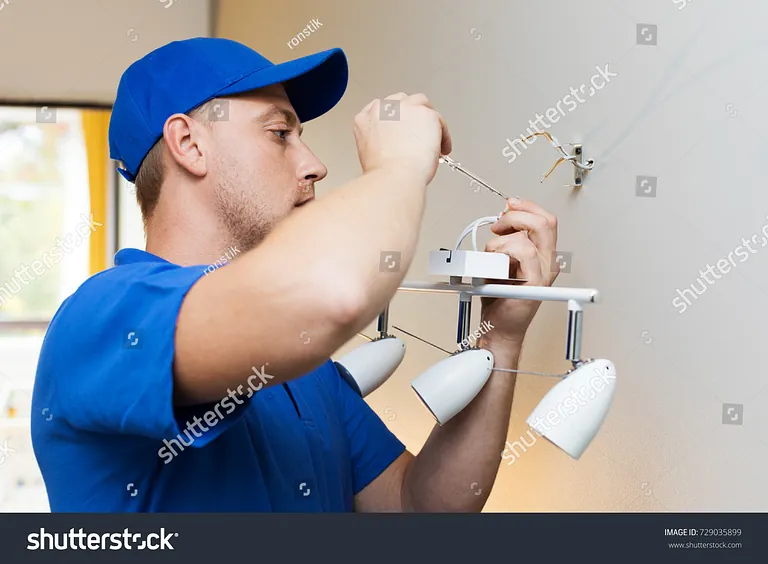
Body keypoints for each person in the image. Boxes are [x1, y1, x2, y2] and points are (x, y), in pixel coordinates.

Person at [31, 37, 559, 512]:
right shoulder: (106, 318)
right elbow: (331, 294)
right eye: (280, 133)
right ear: (190, 145)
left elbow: (419, 510)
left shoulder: (303, 364)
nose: (313, 164)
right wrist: (397, 167)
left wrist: (503, 336)